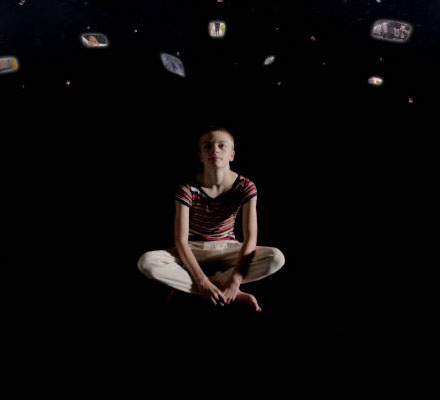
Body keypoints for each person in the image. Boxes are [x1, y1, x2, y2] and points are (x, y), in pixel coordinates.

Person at [137, 126, 285, 312]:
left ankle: (202, 285)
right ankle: (214, 288)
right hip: (193, 249)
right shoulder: (187, 189)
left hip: (227, 248)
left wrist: (235, 280)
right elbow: (180, 241)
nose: (214, 150)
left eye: (221, 146)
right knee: (146, 262)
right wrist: (202, 281)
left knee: (276, 258)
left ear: (232, 155)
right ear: (200, 156)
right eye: (207, 146)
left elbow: (250, 238)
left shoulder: (245, 186)